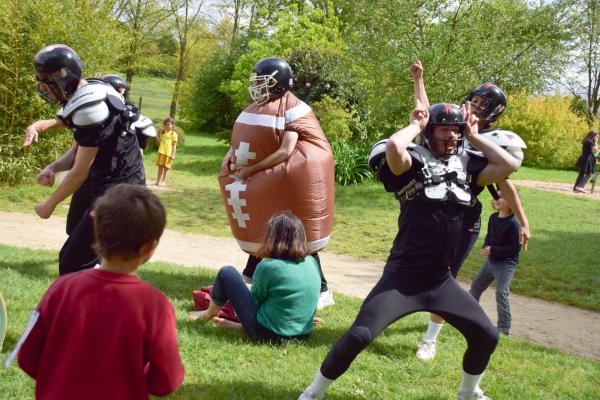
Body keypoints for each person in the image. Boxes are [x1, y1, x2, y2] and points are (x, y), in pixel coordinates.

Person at [299, 95, 519, 400]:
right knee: (360, 334)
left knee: (485, 335)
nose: (451, 135)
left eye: (455, 129)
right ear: (429, 133)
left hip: (441, 280)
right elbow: (393, 148)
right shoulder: (413, 164)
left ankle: (468, 392)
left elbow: (508, 164)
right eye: (444, 130)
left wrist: (474, 136)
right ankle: (313, 393)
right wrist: (416, 124)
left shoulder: (468, 168)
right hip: (403, 278)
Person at [17, 184, 185, 399]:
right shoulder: (155, 306)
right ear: (148, 248)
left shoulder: (60, 289)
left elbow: (28, 357)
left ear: (97, 233)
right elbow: (166, 381)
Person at [413, 76, 530, 361]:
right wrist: (419, 80)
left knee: (445, 275)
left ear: (493, 113)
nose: (475, 107)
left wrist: (524, 221)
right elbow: (425, 114)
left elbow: (505, 183)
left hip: (463, 217)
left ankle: (430, 339)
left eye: (482, 105)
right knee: (413, 267)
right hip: (429, 209)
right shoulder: (452, 126)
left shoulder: (488, 141)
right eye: (474, 100)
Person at [218, 57, 336, 309]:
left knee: (296, 235)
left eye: (263, 82)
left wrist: (252, 170)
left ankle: (322, 289)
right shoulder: (260, 108)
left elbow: (286, 150)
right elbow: (243, 141)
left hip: (294, 181)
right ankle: (250, 274)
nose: (258, 88)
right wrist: (232, 159)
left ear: (278, 84)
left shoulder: (293, 109)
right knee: (269, 228)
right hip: (276, 181)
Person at [29, 44, 145, 275]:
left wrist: (49, 204)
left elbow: (80, 171)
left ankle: (92, 308)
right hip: (116, 187)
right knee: (81, 258)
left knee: (73, 262)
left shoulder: (89, 109)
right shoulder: (91, 92)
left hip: (119, 193)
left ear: (63, 77)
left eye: (47, 81)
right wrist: (53, 167)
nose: (43, 88)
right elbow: (76, 152)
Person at [189, 211, 321, 343]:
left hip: (267, 334)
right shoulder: (311, 262)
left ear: (272, 238)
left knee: (227, 273)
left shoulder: (270, 266)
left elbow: (256, 300)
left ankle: (209, 313)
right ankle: (240, 326)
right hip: (303, 335)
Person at [469, 190, 521, 336]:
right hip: (491, 262)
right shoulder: (493, 218)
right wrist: (486, 246)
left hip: (506, 264)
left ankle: (503, 328)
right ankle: (470, 317)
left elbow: (514, 249)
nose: (497, 198)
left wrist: (494, 250)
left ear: (512, 202)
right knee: (475, 288)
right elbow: (489, 236)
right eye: (496, 196)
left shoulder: (514, 223)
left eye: (502, 196)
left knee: (501, 293)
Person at [155, 117, 178, 186]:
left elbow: (174, 145)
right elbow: (160, 141)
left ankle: (163, 181)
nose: (167, 126)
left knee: (166, 168)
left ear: (172, 125)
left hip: (168, 154)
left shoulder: (174, 134)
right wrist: (156, 135)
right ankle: (158, 181)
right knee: (160, 167)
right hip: (161, 152)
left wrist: (173, 154)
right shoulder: (163, 132)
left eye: (168, 124)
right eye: (165, 125)